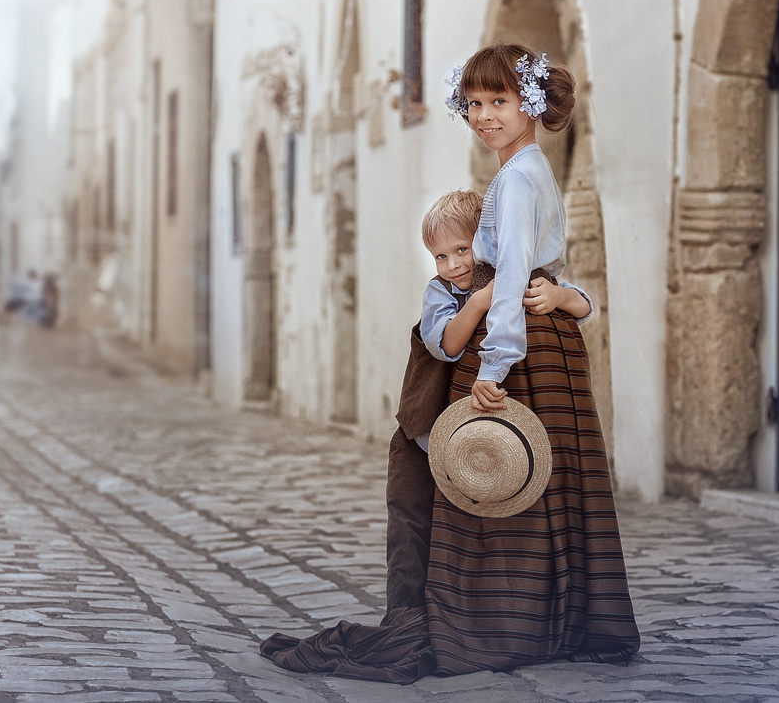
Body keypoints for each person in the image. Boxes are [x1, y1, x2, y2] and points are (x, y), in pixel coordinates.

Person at [261, 44, 640, 681]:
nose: (485, 115)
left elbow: (517, 271)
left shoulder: (517, 179)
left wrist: (494, 368)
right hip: (547, 350)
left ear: (531, 104)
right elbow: (539, 270)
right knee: (535, 494)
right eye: (474, 104)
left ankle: (491, 626)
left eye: (500, 101)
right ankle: (548, 620)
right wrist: (569, 299)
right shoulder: (527, 169)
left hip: (516, 349)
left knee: (493, 491)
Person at [386, 190, 591, 615]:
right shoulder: (440, 293)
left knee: (478, 528)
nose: (453, 264)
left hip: (485, 439)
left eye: (461, 250)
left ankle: (477, 610)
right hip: (424, 430)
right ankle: (406, 611)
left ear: (485, 242)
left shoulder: (512, 275)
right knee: (411, 520)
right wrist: (480, 301)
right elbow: (447, 344)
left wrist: (558, 298)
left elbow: (582, 303)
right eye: (440, 256)